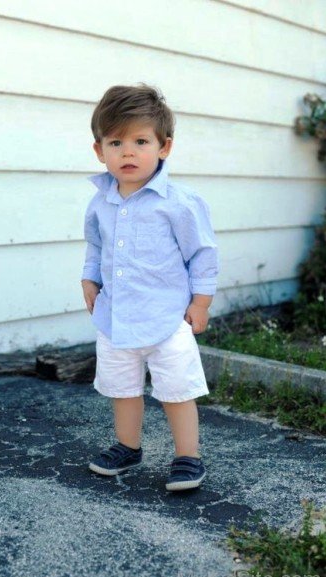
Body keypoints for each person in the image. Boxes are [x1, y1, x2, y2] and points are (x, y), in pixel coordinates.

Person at [81, 83, 219, 492]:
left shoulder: (179, 201)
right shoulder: (100, 203)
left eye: (141, 141)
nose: (128, 151)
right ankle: (128, 446)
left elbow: (202, 253)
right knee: (122, 387)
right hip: (116, 317)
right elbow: (96, 246)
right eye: (116, 141)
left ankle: (187, 456)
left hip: (167, 318)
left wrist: (202, 301)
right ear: (99, 150)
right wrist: (89, 278)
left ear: (164, 147)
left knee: (176, 389)